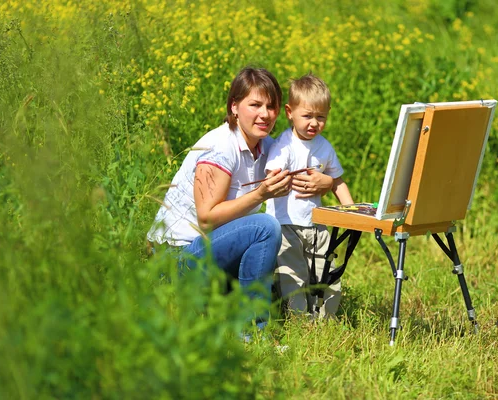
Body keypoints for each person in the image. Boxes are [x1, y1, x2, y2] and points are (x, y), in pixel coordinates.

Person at [147, 67, 333, 331]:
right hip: (177, 259)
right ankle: (252, 330)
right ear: (234, 107)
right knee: (265, 226)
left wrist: (325, 183)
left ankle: (230, 306)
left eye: (271, 106)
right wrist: (260, 194)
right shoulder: (220, 147)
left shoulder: (268, 146)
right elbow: (207, 217)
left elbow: (303, 159)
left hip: (213, 251)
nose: (265, 114)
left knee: (274, 254)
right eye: (255, 105)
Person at [265, 73, 354, 318]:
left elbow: (336, 181)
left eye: (321, 117)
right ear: (289, 112)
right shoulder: (283, 145)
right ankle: (299, 321)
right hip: (286, 224)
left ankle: (328, 319)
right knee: (293, 276)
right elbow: (271, 175)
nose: (314, 123)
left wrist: (352, 211)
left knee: (328, 272)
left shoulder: (324, 147)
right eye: (307, 116)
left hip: (317, 224)